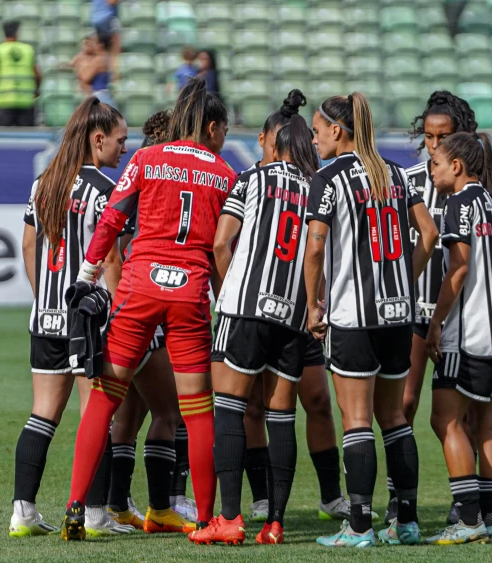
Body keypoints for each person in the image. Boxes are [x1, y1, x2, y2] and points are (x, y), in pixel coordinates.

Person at [61, 77, 235, 541]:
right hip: (189, 292)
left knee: (104, 396)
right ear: (212, 127)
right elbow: (224, 243)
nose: (224, 139)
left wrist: (86, 277)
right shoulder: (224, 174)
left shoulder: (144, 158)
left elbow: (112, 218)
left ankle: (76, 506)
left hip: (139, 286)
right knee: (197, 411)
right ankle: (203, 519)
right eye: (223, 130)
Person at [188, 90, 321, 546]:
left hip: (244, 307)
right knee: (281, 415)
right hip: (292, 315)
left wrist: (228, 293)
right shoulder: (316, 188)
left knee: (230, 408)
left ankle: (229, 518)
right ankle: (276, 523)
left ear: (274, 142)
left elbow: (221, 243)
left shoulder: (251, 179)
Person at [305, 92, 438, 548]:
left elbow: (317, 247)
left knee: (357, 420)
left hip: (353, 317)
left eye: (318, 130)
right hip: (397, 315)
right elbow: (430, 234)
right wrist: (404, 277)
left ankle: (359, 526)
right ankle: (408, 521)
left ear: (338, 131)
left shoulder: (329, 179)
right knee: (395, 419)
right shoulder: (396, 174)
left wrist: (312, 305)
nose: (314, 138)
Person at [240, 91, 365, 526]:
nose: (296, 147)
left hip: (304, 314)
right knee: (256, 406)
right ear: (265, 141)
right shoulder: (250, 181)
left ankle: (332, 496)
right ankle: (261, 497)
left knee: (316, 398)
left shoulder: (316, 181)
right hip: (259, 309)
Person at [12, 97, 129, 538]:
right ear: (97, 139)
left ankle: (22, 512)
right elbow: (113, 258)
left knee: (42, 413)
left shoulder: (44, 182)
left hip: (45, 316)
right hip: (89, 321)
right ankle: (96, 514)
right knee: (97, 414)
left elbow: (27, 245)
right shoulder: (105, 190)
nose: (124, 147)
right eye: (120, 139)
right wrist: (116, 311)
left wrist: (43, 294)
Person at [106, 110, 199, 534]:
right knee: (172, 409)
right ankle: (168, 502)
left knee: (127, 412)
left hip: (127, 301)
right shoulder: (167, 176)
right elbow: (120, 247)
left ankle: (114, 501)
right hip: (148, 303)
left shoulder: (139, 171)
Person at [424, 132, 492, 545]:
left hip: (471, 335)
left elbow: (458, 270)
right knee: (486, 425)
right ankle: (488, 519)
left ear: (457, 166)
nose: (432, 169)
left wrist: (434, 321)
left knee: (444, 419)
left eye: (437, 164)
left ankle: (467, 519)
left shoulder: (459, 203)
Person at [392, 91, 480, 526]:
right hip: (412, 307)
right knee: (403, 404)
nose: (434, 145)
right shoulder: (407, 180)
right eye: (427, 136)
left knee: (461, 415)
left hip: (460, 312)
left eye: (442, 136)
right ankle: (400, 502)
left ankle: (467, 504)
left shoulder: (475, 182)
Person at [71, 34, 115, 108]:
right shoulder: (106, 57)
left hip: (100, 97)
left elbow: (85, 77)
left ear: (100, 45)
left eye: (93, 42)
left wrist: (79, 64)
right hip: (104, 95)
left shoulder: (99, 60)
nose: (91, 45)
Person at [91, 0, 121, 76]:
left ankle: (103, 75)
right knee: (114, 52)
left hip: (96, 20)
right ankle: (114, 75)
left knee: (101, 52)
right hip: (107, 19)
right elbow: (111, 2)